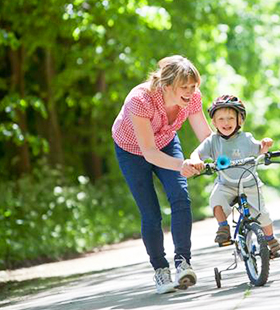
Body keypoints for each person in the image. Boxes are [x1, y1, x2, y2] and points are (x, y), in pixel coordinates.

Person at [112, 55, 213, 294]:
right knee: (151, 213)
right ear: (167, 86)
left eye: (193, 86)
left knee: (180, 197)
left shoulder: (192, 98)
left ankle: (183, 263)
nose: (190, 92)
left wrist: (221, 155)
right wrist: (181, 165)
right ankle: (160, 270)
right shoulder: (140, 100)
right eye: (184, 87)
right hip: (133, 150)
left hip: (166, 142)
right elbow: (149, 152)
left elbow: (206, 137)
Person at [189, 95, 280, 258]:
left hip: (249, 183)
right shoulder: (212, 141)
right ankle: (223, 227)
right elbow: (196, 153)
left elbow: (259, 149)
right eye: (221, 119)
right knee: (216, 200)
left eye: (230, 118)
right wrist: (196, 160)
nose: (226, 122)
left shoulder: (246, 138)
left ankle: (271, 240)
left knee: (263, 215)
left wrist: (265, 146)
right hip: (226, 184)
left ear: (239, 120)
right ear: (214, 122)